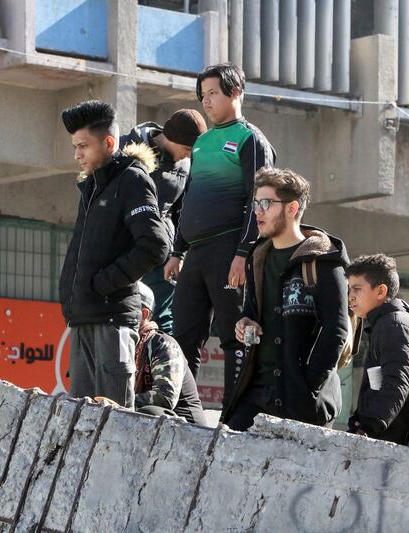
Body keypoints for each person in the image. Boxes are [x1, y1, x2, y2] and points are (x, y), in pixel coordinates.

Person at [163, 63, 276, 405]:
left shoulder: (250, 139)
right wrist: (177, 251)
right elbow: (190, 200)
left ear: (236, 92)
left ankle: (232, 415)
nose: (207, 102)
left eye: (213, 93)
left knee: (233, 336)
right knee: (183, 335)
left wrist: (243, 254)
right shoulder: (202, 143)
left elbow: (259, 205)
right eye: (203, 96)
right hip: (195, 253)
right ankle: (183, 411)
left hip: (229, 251)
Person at [59, 100, 169, 407]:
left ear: (109, 143)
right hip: (82, 318)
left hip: (112, 321)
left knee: (115, 422)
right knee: (80, 427)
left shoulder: (132, 180)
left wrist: (104, 284)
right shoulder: (92, 187)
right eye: (74, 146)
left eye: (83, 146)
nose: (77, 154)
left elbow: (155, 245)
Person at [222, 168, 349, 431]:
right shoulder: (257, 259)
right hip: (256, 393)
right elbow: (251, 312)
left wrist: (308, 387)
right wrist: (246, 322)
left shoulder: (323, 262)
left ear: (292, 208)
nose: (258, 211)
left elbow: (336, 330)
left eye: (266, 203)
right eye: (256, 203)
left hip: (301, 399)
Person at [120, 110, 208, 334]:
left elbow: (182, 211)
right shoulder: (127, 148)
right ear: (172, 137)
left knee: (163, 319)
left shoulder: (187, 165)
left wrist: (179, 254)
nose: (188, 156)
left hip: (162, 252)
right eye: (187, 149)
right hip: (126, 249)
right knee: (126, 315)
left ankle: (164, 366)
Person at [346, 254, 409, 445]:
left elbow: (396, 385)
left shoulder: (395, 326)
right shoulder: (387, 324)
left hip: (399, 446)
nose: (350, 296)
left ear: (381, 291)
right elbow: (379, 385)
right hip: (391, 440)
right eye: (349, 290)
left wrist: (367, 429)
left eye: (357, 289)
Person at [134, 282, 207, 425]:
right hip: (156, 429)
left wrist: (120, 400)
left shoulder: (163, 345)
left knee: (149, 413)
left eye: (128, 308)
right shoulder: (126, 345)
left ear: (144, 314)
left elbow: (165, 398)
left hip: (188, 429)